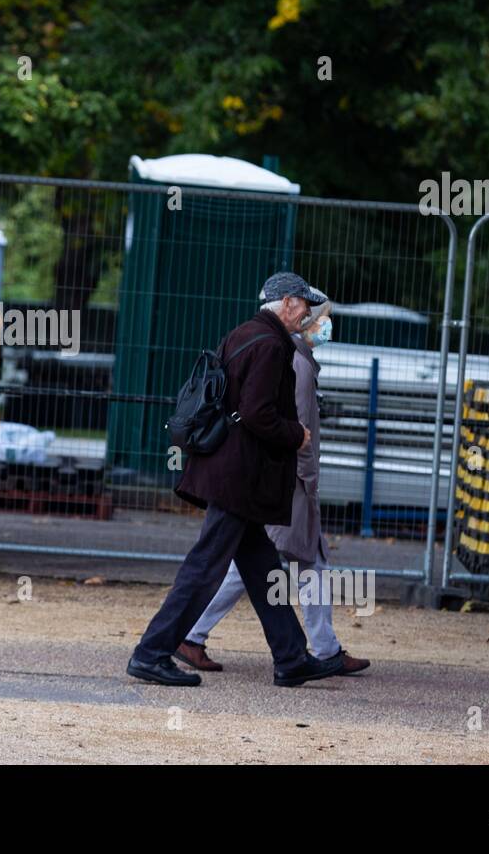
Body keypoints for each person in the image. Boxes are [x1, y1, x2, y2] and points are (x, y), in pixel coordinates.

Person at [126, 272, 346, 687]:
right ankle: (151, 652)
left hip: (231, 472)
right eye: (304, 305)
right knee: (204, 566)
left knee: (262, 570)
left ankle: (291, 657)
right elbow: (258, 413)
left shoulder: (244, 334)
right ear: (285, 304)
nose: (308, 314)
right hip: (240, 476)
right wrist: (296, 434)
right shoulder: (270, 346)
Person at [174, 294, 370, 677]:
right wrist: (306, 478)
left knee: (284, 562)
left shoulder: (296, 358)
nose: (325, 326)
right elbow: (291, 424)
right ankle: (195, 635)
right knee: (283, 563)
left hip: (289, 478)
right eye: (320, 318)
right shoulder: (295, 361)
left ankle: (315, 648)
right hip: (291, 480)